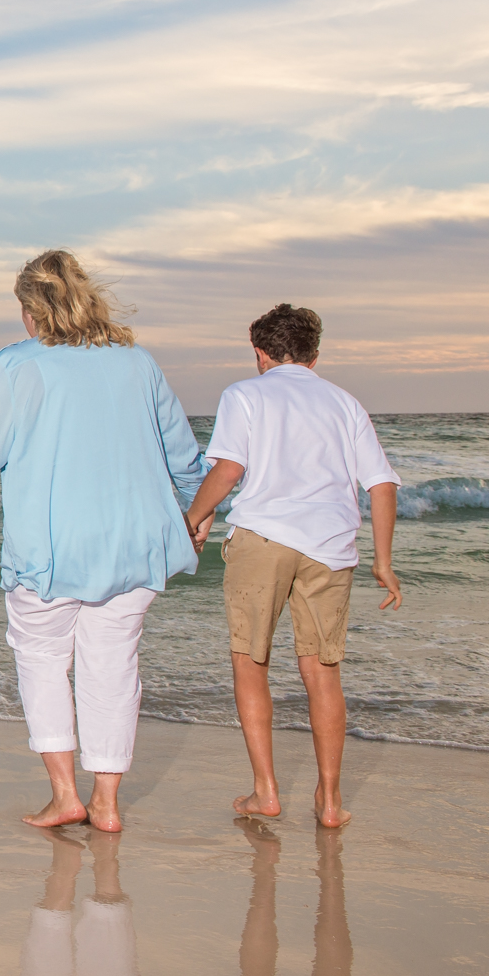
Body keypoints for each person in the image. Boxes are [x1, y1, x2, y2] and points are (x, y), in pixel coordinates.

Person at [0, 249, 207, 832]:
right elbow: (184, 455)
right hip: (136, 544)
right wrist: (198, 515)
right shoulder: (137, 363)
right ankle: (108, 803)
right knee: (114, 666)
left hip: (52, 547)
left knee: (43, 660)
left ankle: (67, 794)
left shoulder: (18, 365)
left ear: (32, 309)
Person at [185, 303, 402, 828]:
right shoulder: (345, 403)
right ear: (314, 354)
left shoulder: (245, 393)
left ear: (260, 353)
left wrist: (192, 516)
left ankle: (266, 792)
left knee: (250, 661)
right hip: (330, 545)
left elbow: (230, 468)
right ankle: (329, 802)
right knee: (323, 671)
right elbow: (382, 484)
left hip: (263, 538)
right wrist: (385, 561)